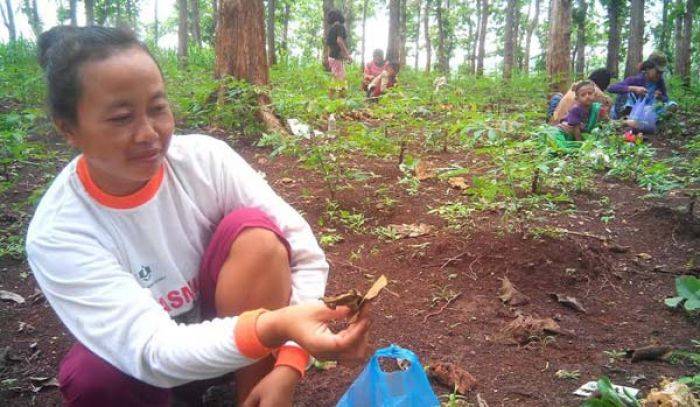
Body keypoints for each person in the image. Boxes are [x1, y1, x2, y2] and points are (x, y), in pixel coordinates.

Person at [27, 26, 371, 407]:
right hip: (151, 371)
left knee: (257, 237)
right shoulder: (60, 231)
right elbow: (150, 349)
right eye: (121, 118)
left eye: (158, 108)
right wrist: (277, 326)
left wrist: (289, 362)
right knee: (93, 378)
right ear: (69, 128)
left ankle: (253, 397)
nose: (148, 133)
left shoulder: (206, 162)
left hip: (237, 343)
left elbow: (304, 253)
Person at [607, 51, 677, 121]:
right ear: (648, 68)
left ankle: (653, 120)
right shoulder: (635, 80)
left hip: (645, 112)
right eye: (658, 72)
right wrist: (634, 88)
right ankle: (626, 116)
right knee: (627, 92)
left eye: (661, 73)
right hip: (631, 110)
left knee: (671, 104)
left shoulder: (660, 82)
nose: (659, 75)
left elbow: (666, 99)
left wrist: (660, 97)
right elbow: (611, 88)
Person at [540, 80, 605, 152]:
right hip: (563, 133)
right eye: (583, 95)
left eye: (590, 93)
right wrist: (581, 144)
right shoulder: (576, 109)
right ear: (577, 99)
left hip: (574, 133)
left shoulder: (594, 108)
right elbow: (576, 129)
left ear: (594, 95)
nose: (587, 96)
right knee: (559, 145)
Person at [549, 68, 613, 125]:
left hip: (555, 121)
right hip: (571, 126)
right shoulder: (596, 92)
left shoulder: (578, 84)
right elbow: (603, 118)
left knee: (558, 96)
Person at [325, 9, 352, 82]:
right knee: (341, 82)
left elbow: (329, 46)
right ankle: (338, 93)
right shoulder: (340, 27)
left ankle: (332, 93)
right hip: (337, 58)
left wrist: (328, 58)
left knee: (335, 79)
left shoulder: (331, 30)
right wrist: (347, 55)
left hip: (332, 58)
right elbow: (339, 41)